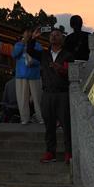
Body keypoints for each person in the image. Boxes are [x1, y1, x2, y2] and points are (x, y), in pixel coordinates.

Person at [28, 28, 73, 163]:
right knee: (49, 125)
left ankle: (69, 153)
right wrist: (33, 38)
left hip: (62, 93)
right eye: (52, 35)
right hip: (47, 93)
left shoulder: (67, 55)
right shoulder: (44, 55)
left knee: (66, 124)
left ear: (62, 38)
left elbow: (71, 72)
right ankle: (50, 152)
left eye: (57, 35)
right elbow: (29, 51)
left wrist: (61, 70)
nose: (54, 37)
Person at [11, 29, 43, 125]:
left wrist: (33, 62)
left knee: (37, 98)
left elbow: (40, 59)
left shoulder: (38, 45)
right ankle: (24, 118)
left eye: (30, 32)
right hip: (21, 75)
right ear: (23, 33)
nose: (28, 33)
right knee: (22, 98)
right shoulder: (18, 45)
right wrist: (22, 43)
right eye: (26, 32)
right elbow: (14, 54)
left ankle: (40, 118)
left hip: (34, 75)